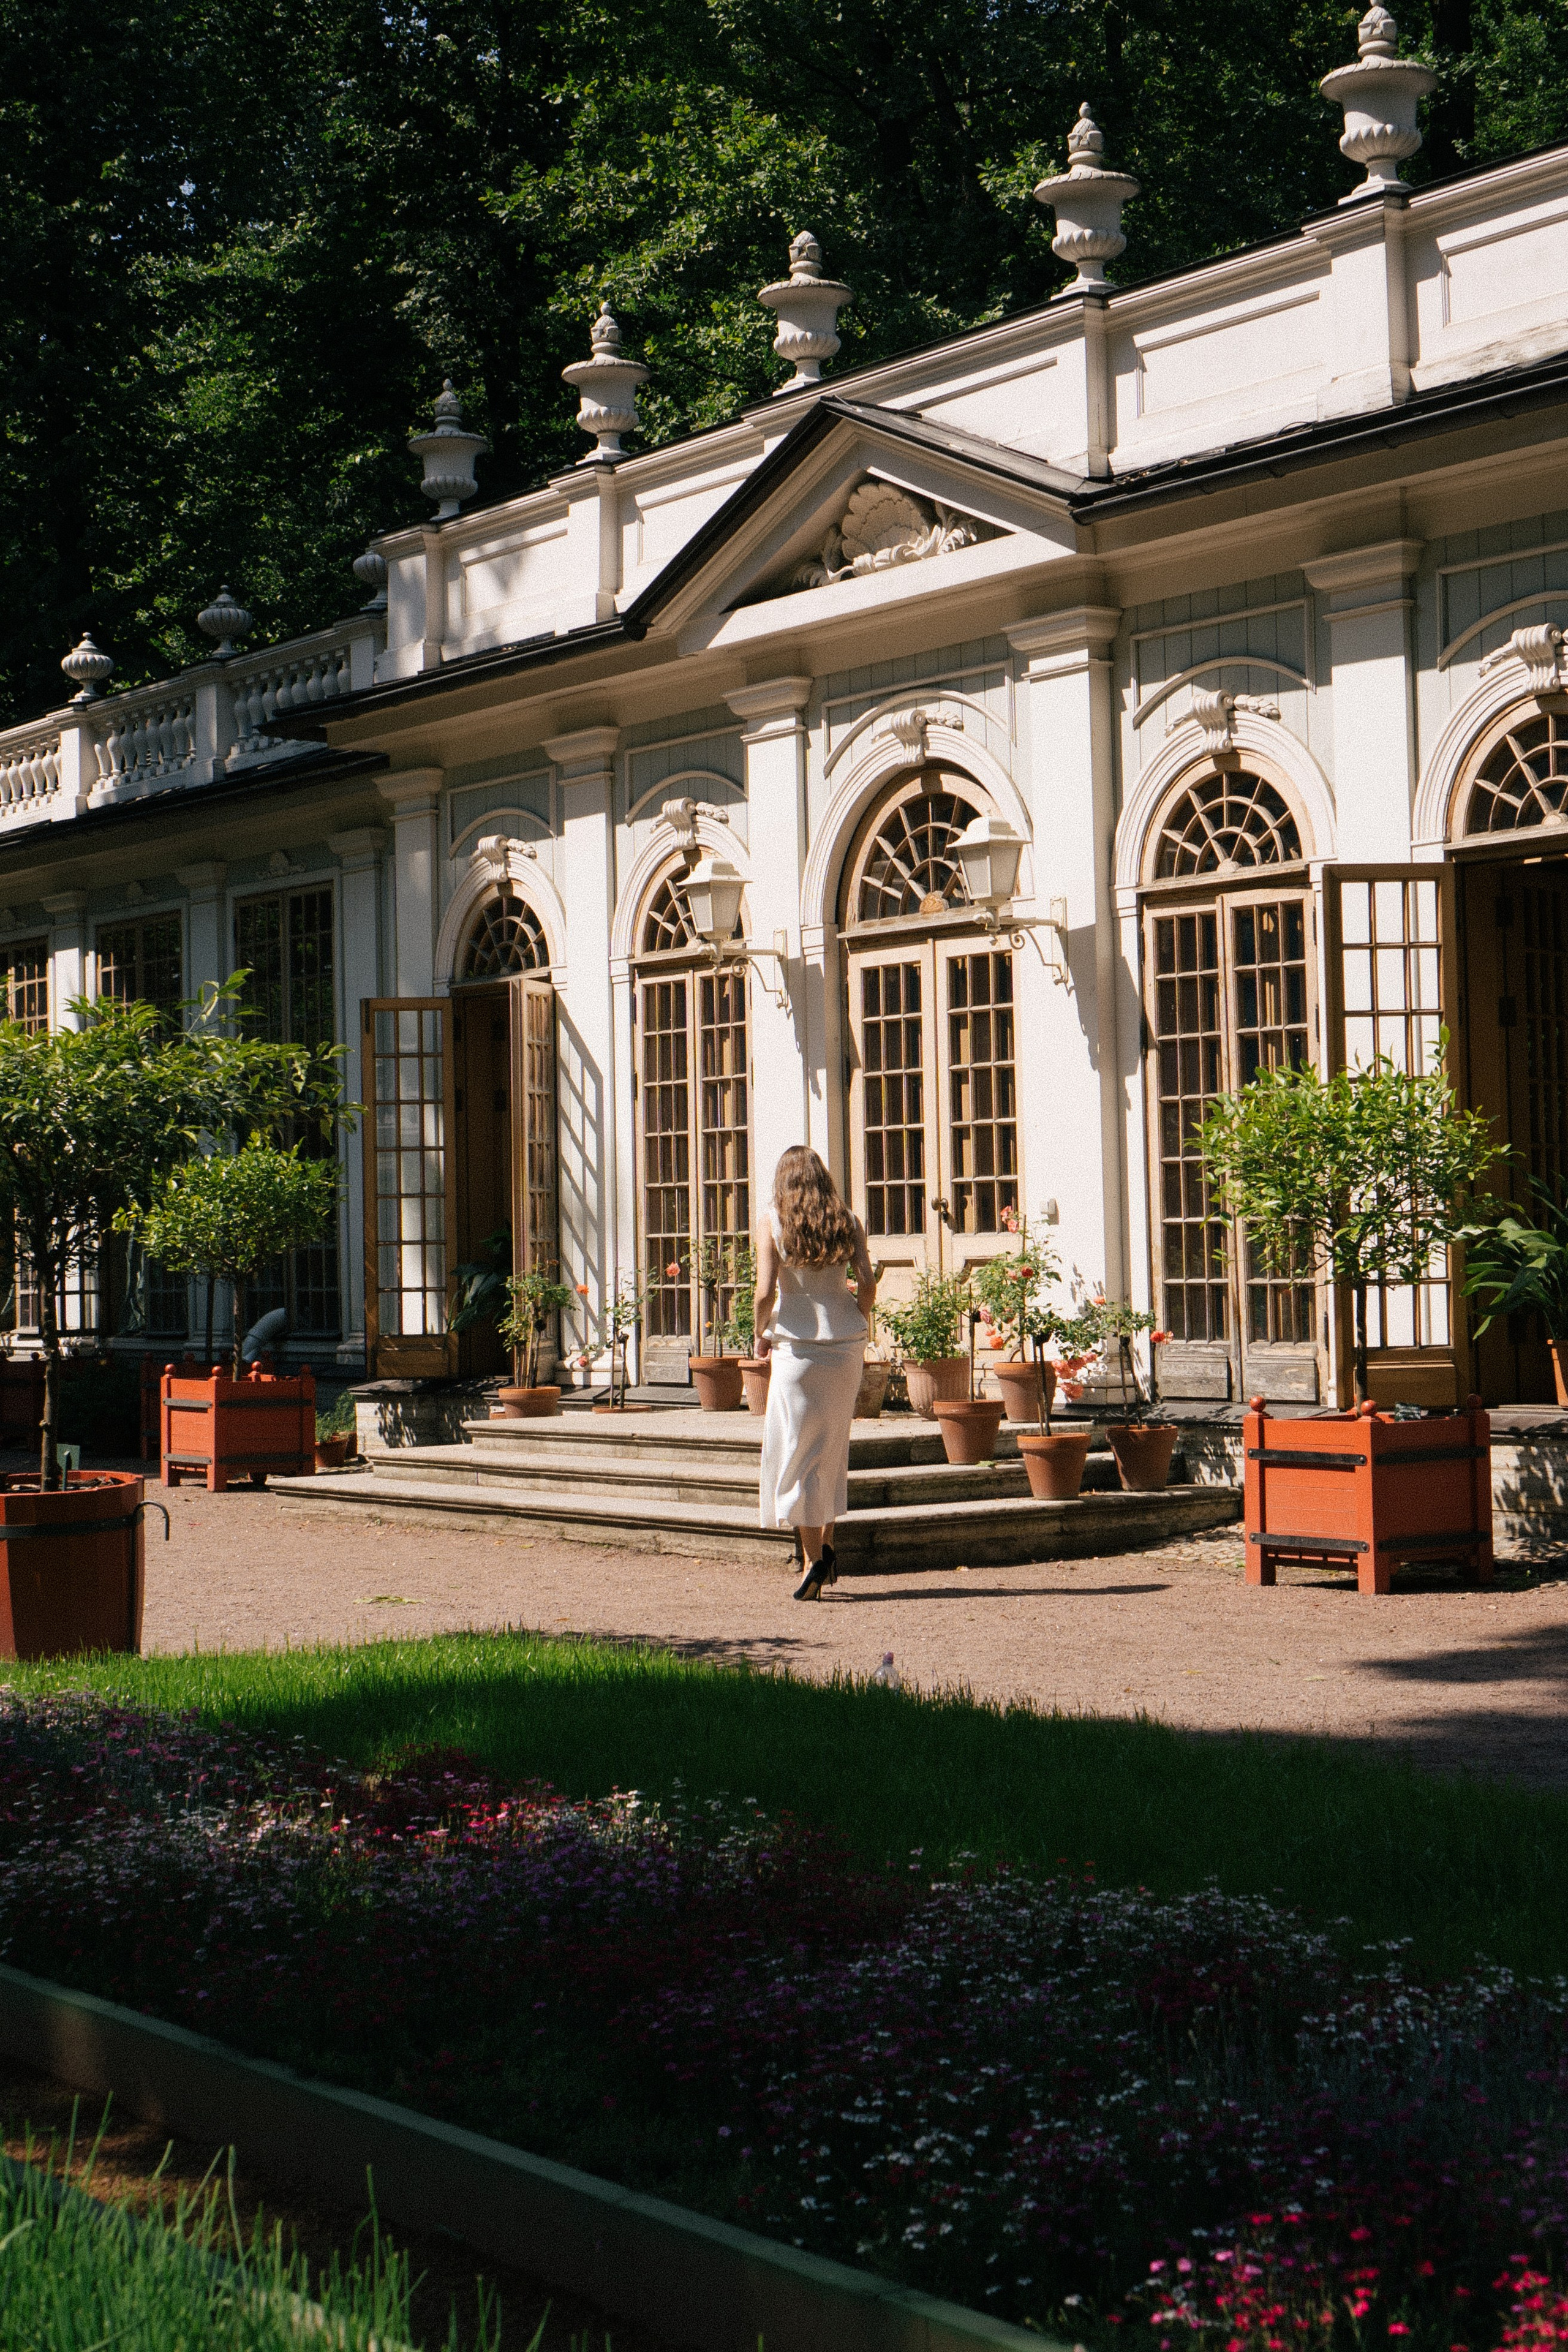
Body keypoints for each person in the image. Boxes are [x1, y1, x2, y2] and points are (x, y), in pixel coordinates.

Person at [753, 1146, 876, 1602]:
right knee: (831, 1452)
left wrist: (760, 1333)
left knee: (796, 1455)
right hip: (846, 1347)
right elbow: (867, 1283)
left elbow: (765, 1291)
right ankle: (827, 1545)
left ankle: (813, 1562)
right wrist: (856, 1319)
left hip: (798, 1349)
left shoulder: (773, 1222)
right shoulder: (848, 1220)